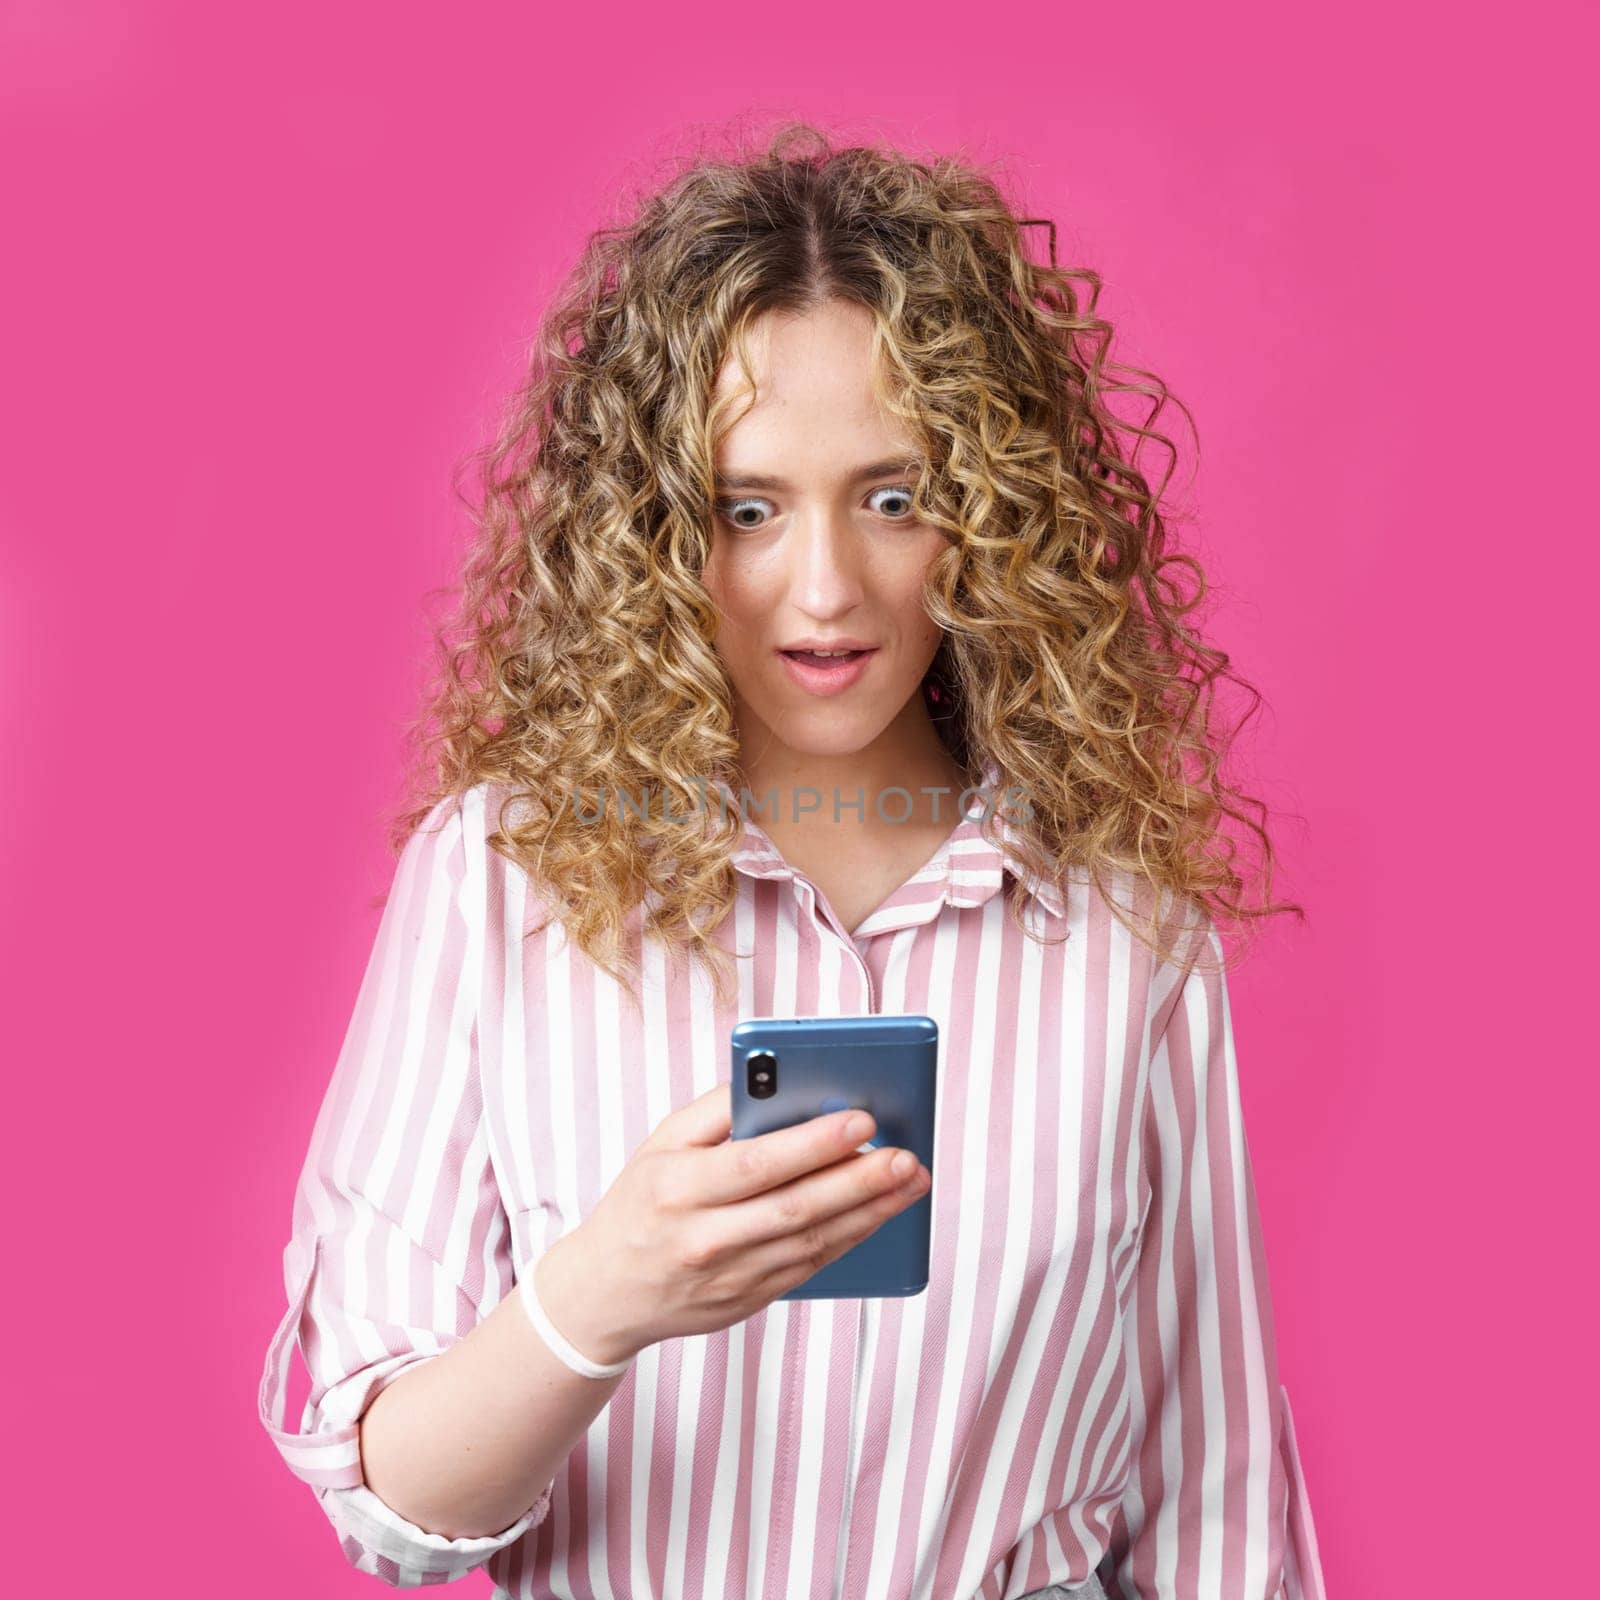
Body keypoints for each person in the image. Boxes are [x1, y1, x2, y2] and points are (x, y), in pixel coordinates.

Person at [257, 120, 1328, 1599]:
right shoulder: (500, 882)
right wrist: (597, 1302)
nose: (824, 588)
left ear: (996, 510)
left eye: (894, 497)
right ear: (647, 531)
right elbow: (386, 1512)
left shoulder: (1125, 923)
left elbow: (1215, 1501)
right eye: (745, 510)